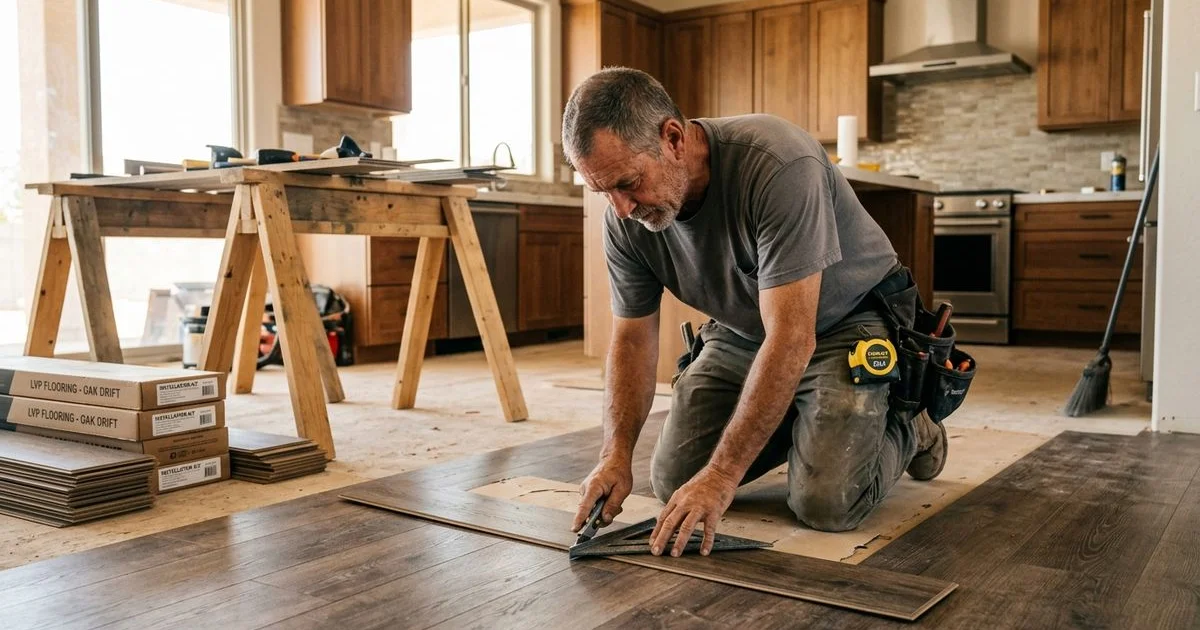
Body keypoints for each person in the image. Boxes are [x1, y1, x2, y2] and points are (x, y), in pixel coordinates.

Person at [562, 67, 949, 558]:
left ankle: (911, 425)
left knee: (826, 503)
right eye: (604, 192)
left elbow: (792, 337)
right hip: (743, 328)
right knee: (674, 479)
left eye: (628, 183)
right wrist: (614, 455)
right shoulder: (624, 218)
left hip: (846, 321)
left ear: (674, 138)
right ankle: (805, 417)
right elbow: (632, 339)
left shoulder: (778, 164)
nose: (620, 209)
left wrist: (723, 477)